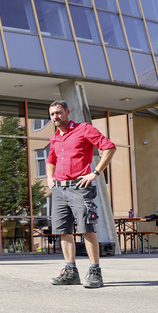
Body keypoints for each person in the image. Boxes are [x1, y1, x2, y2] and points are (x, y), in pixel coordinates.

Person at [46, 100, 116, 288]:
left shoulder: (84, 129)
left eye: (59, 113)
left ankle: (95, 272)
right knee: (63, 232)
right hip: (59, 189)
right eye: (52, 114)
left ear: (67, 112)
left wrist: (95, 172)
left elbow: (109, 147)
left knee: (87, 229)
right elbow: (50, 159)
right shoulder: (55, 138)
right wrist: (49, 177)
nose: (55, 117)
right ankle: (71, 272)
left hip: (80, 186)